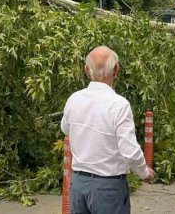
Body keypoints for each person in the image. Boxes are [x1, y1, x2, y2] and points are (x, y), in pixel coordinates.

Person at [61, 46, 154, 213]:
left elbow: (66, 130)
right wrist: (144, 172)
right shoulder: (118, 105)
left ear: (86, 70)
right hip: (108, 187)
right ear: (116, 70)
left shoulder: (74, 100)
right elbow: (130, 152)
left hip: (79, 183)